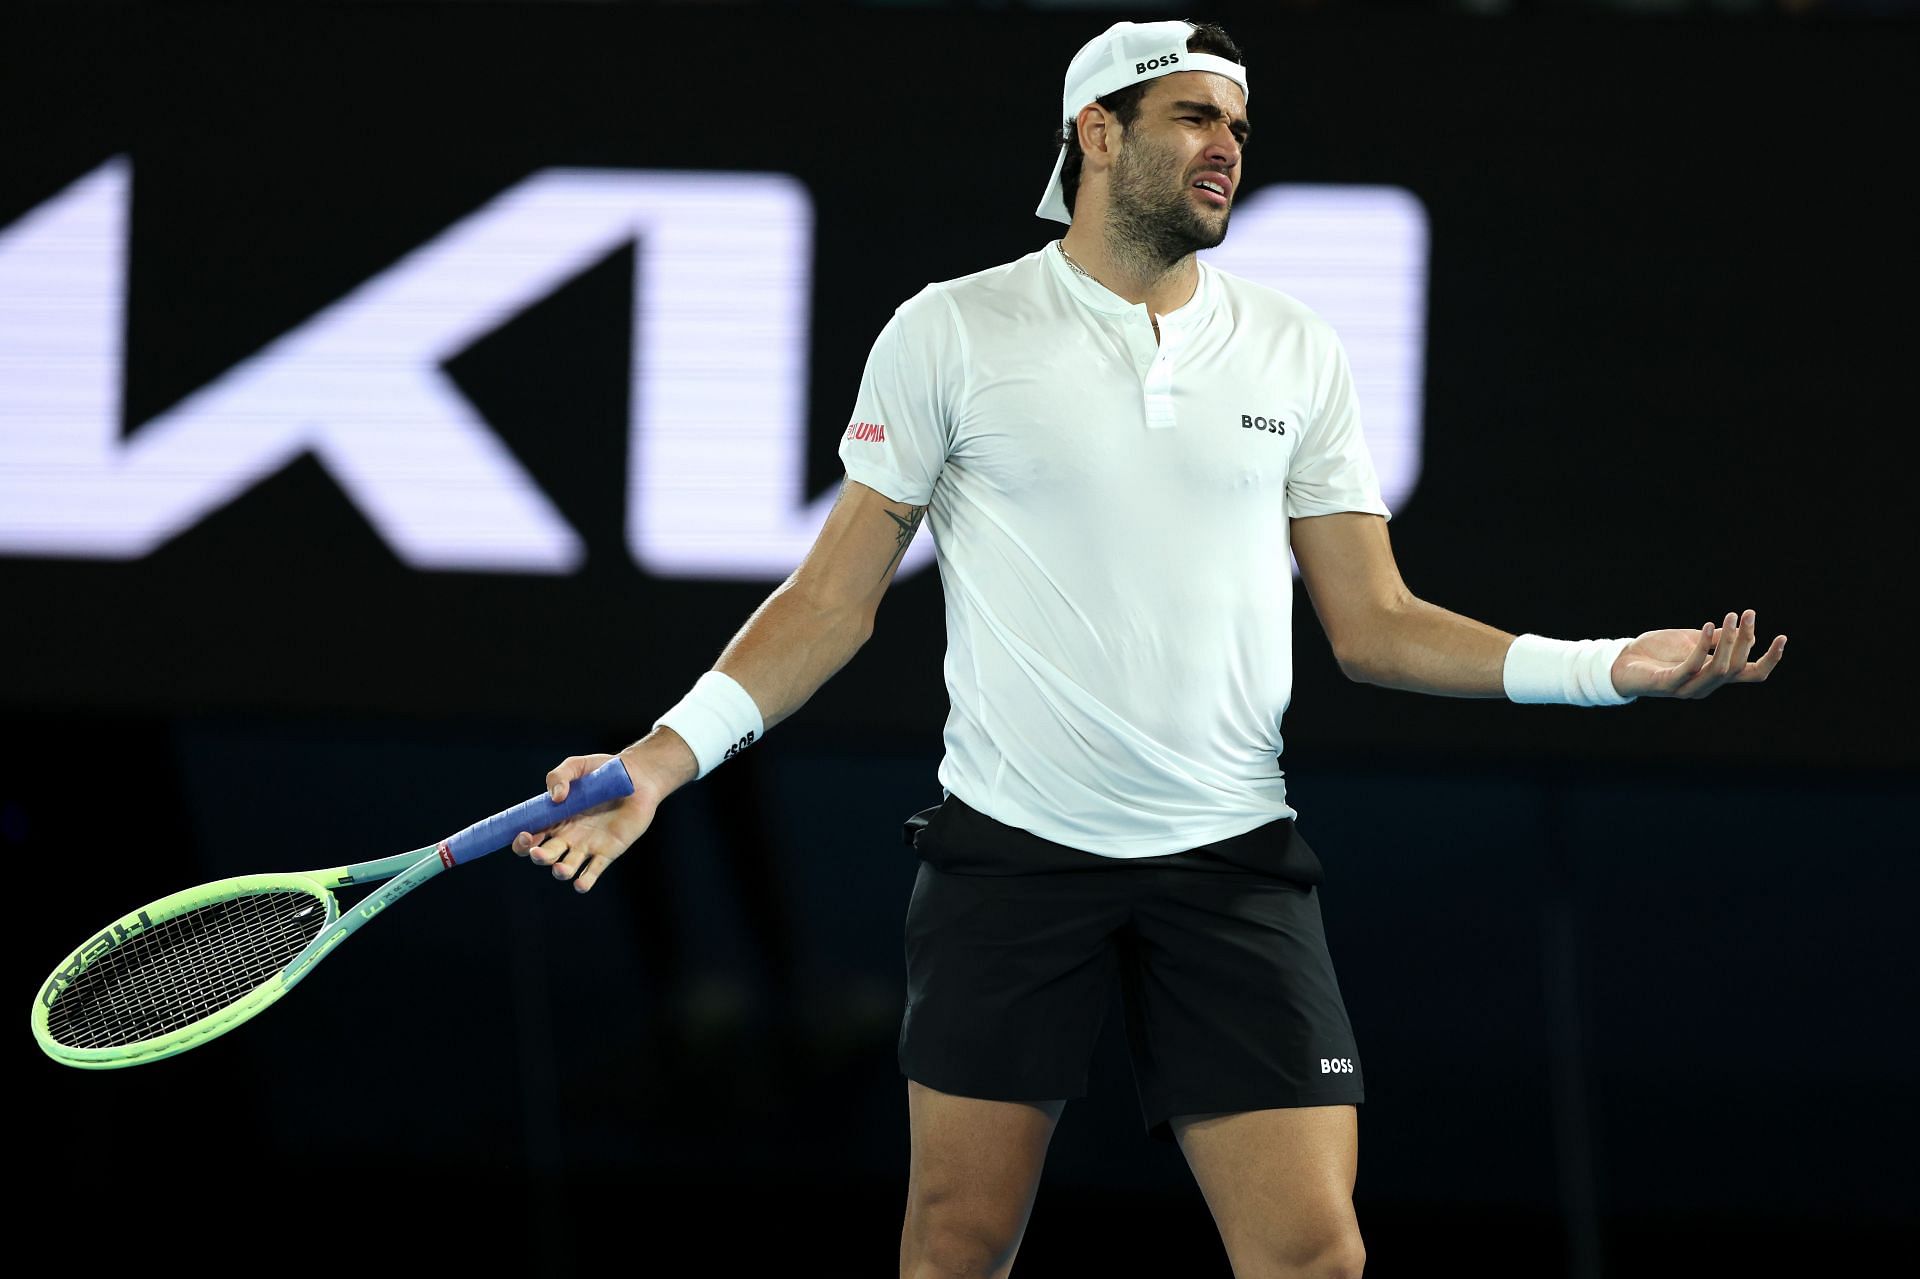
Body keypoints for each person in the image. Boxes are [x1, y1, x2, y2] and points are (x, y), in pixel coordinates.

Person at [510, 19, 1787, 1279]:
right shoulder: (950, 331)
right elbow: (833, 600)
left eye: (1238, 123)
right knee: (956, 1246)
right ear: (1098, 132)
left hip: (1228, 859)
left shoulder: (1297, 346)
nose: (1227, 144)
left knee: (1314, 1253)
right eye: (1194, 115)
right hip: (1010, 856)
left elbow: (1377, 625)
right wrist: (663, 764)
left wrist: (1606, 665)